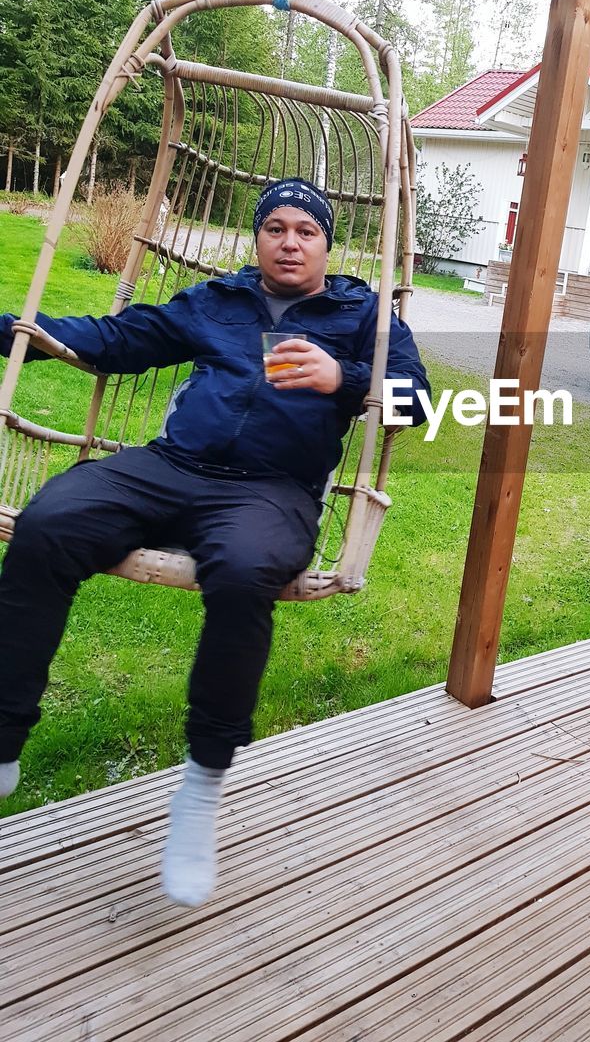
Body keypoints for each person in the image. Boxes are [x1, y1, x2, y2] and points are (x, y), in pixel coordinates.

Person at [0, 177, 429, 906]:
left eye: (306, 231)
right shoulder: (218, 301)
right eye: (275, 228)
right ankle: (4, 734)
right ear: (258, 237)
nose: (289, 242)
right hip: (170, 468)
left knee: (241, 573)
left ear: (328, 244)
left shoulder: (363, 317)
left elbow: (414, 403)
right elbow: (117, 341)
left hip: (270, 490)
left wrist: (344, 378)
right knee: (49, 524)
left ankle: (201, 786)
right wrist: (14, 327)